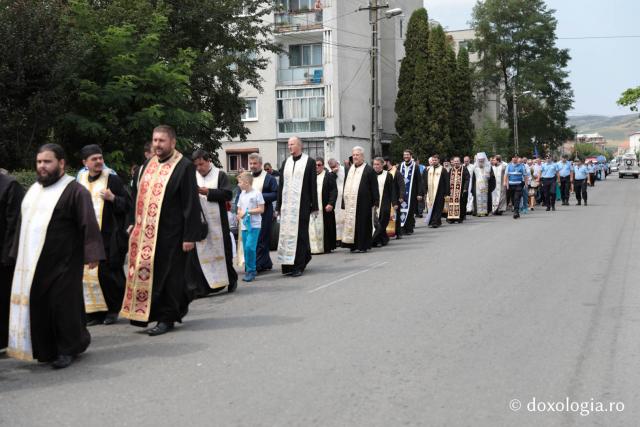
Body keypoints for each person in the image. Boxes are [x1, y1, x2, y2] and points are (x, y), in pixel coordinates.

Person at [8, 144, 104, 368]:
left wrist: (93, 253)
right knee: (41, 306)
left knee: (63, 305)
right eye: (39, 162)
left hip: (65, 261)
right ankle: (47, 349)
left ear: (61, 163)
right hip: (35, 262)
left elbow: (88, 223)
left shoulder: (74, 191)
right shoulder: (33, 190)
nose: (42, 166)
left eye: (47, 161)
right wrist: (15, 254)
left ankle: (68, 349)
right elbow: (23, 225)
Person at [122, 125, 202, 336]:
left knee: (171, 277)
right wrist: (132, 221)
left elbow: (191, 203)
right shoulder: (147, 164)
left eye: (162, 141)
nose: (157, 145)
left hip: (173, 234)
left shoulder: (183, 166)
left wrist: (189, 236)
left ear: (173, 143)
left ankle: (167, 318)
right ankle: (156, 313)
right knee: (152, 275)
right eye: (155, 140)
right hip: (147, 234)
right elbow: (135, 195)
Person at [77, 145, 131, 326]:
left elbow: (128, 205)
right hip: (87, 237)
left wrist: (113, 199)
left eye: (100, 158)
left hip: (109, 235)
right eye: (94, 159)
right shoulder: (80, 180)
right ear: (85, 163)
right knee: (88, 275)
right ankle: (95, 312)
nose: (99, 162)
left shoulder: (112, 180)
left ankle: (112, 310)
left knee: (108, 274)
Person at [189, 149, 237, 297]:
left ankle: (231, 279)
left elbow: (228, 194)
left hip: (218, 222)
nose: (199, 168)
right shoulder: (193, 176)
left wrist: (208, 192)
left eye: (201, 164)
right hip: (200, 222)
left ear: (208, 160)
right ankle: (203, 287)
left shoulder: (220, 175)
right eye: (196, 165)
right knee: (200, 254)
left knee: (222, 252)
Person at [276, 136, 318, 277]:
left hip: (302, 205)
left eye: (292, 144)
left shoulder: (309, 162)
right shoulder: (285, 163)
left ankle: (298, 265)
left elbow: (313, 184)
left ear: (300, 146)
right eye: (288, 145)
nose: (289, 147)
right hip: (287, 207)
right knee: (287, 235)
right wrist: (278, 205)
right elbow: (281, 185)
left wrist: (315, 205)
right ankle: (288, 265)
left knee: (300, 235)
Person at [0, 170, 25, 351]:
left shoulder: (10, 185)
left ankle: (7, 340)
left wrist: (9, 256)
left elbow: (15, 224)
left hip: (5, 257)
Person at [341, 146, 379, 253]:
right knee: (351, 224)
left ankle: (362, 246)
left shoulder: (369, 169)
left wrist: (376, 201)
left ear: (362, 156)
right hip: (350, 203)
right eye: (353, 155)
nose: (355, 157)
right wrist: (343, 202)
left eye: (357, 155)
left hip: (364, 203)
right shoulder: (349, 169)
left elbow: (374, 187)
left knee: (362, 224)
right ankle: (352, 245)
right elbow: (345, 185)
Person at [247, 153, 278, 272]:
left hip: (264, 212)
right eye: (251, 163)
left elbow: (275, 194)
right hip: (249, 213)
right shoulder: (247, 177)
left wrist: (258, 196)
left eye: (255, 163)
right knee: (253, 238)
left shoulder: (269, 178)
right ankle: (266, 263)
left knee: (261, 238)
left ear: (260, 164)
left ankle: (257, 264)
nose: (253, 166)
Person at [236, 172, 265, 282]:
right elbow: (239, 208)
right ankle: (249, 269)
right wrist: (239, 214)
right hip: (244, 226)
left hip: (254, 226)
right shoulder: (242, 194)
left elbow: (261, 209)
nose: (238, 184)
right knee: (246, 249)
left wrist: (248, 212)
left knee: (249, 247)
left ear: (247, 183)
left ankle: (251, 270)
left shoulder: (257, 193)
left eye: (240, 182)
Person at [309, 157, 337, 254]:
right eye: (315, 165)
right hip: (312, 207)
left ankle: (326, 247)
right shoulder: (310, 177)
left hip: (325, 207)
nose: (317, 167)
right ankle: (313, 247)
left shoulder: (328, 176)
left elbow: (334, 191)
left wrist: (331, 203)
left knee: (326, 227)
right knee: (313, 227)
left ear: (323, 165)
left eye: (319, 165)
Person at [397, 150, 423, 235]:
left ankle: (409, 228)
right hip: (402, 193)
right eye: (404, 155)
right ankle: (402, 228)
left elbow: (419, 181)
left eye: (407, 155)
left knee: (410, 211)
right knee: (402, 210)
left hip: (412, 193)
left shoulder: (415, 166)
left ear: (411, 156)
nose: (406, 156)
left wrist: (419, 193)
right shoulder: (400, 165)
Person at [372, 157, 395, 247]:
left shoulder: (388, 175)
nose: (376, 166)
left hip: (385, 202)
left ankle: (374, 239)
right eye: (374, 164)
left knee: (383, 221)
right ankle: (381, 239)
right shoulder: (370, 174)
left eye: (378, 164)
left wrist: (394, 203)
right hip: (373, 203)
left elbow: (392, 190)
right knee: (375, 223)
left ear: (382, 164)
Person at [423, 154, 449, 228]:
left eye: (435, 160)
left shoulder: (443, 170)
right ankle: (433, 221)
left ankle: (435, 222)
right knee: (431, 207)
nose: (434, 161)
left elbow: (447, 182)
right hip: (430, 192)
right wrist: (424, 191)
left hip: (440, 192)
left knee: (438, 207)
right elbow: (425, 181)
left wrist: (447, 193)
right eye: (433, 160)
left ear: (439, 161)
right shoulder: (428, 169)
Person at [447, 157, 470, 224]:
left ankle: (459, 218)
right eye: (455, 161)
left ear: (460, 162)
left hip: (461, 190)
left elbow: (467, 179)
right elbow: (448, 180)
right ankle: (452, 218)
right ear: (453, 162)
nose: (456, 162)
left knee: (461, 204)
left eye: (457, 161)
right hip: (452, 191)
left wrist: (465, 188)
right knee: (451, 204)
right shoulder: (451, 170)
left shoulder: (464, 169)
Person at [327, 158, 345, 245]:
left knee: (343, 218)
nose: (333, 168)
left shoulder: (344, 170)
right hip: (336, 198)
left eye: (334, 166)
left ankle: (344, 237)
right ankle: (337, 238)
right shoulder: (330, 174)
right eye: (331, 167)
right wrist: (333, 173)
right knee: (337, 218)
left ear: (337, 164)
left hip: (344, 197)